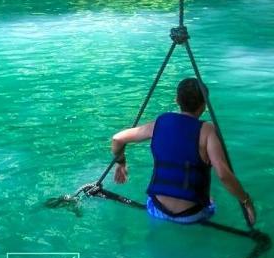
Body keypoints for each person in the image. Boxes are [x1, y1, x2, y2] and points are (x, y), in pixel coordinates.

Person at [110, 77, 256, 226]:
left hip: (157, 210)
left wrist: (121, 163)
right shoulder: (207, 130)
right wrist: (246, 201)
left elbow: (117, 139)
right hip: (192, 215)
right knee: (211, 200)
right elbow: (223, 175)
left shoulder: (160, 122)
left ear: (177, 100)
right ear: (204, 105)